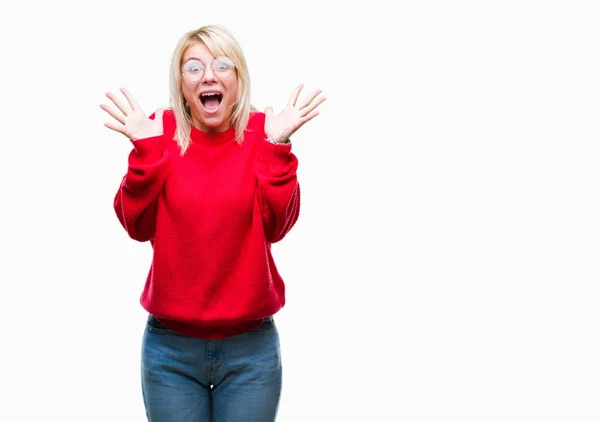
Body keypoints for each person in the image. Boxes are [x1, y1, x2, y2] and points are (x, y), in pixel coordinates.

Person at [100, 24, 325, 422]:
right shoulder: (160, 132)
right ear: (181, 83)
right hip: (170, 351)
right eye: (194, 67)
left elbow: (278, 227)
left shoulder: (263, 133)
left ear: (238, 78)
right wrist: (146, 155)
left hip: (251, 350)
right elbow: (135, 225)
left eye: (222, 65)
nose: (209, 75)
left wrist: (277, 150)